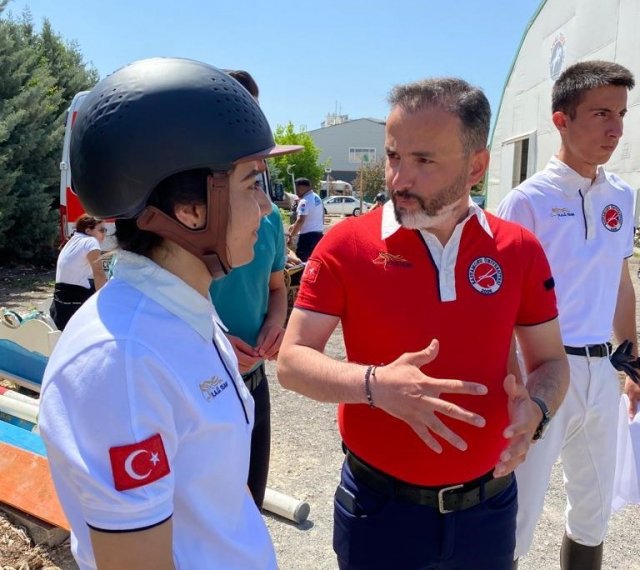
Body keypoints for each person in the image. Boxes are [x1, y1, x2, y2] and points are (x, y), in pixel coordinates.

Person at [277, 77, 569, 570]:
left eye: (423, 160)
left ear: (476, 166)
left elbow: (552, 361)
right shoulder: (346, 245)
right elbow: (291, 362)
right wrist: (375, 385)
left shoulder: (518, 250)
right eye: (394, 156)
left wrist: (537, 408)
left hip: (489, 512)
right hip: (380, 512)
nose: (399, 179)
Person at [38, 57, 301, 570]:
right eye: (252, 183)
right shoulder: (125, 363)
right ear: (191, 210)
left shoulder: (184, 313)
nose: (268, 208)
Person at [497, 60, 640, 570]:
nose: (615, 129)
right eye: (601, 113)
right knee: (515, 513)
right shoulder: (527, 202)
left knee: (594, 511)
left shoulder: (622, 197)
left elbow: (619, 280)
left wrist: (633, 362)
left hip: (604, 373)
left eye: (621, 114)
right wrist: (512, 379)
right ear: (561, 119)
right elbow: (503, 303)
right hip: (543, 373)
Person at [210, 68, 287, 509]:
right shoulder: (190, 222)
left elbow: (277, 289)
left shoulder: (270, 218)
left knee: (249, 506)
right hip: (205, 385)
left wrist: (277, 323)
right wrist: (216, 343)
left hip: (252, 381)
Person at [49, 213, 107, 330]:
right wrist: (105, 300)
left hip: (60, 302)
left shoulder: (71, 241)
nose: (105, 233)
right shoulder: (91, 241)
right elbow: (99, 272)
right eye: (102, 230)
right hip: (75, 301)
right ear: (88, 230)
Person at [286, 178, 324, 261]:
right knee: (314, 261)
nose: (296, 192)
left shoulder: (304, 201)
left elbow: (301, 220)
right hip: (318, 236)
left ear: (301, 188)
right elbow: (312, 216)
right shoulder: (317, 198)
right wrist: (294, 225)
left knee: (302, 263)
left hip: (307, 238)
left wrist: (291, 236)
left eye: (296, 189)